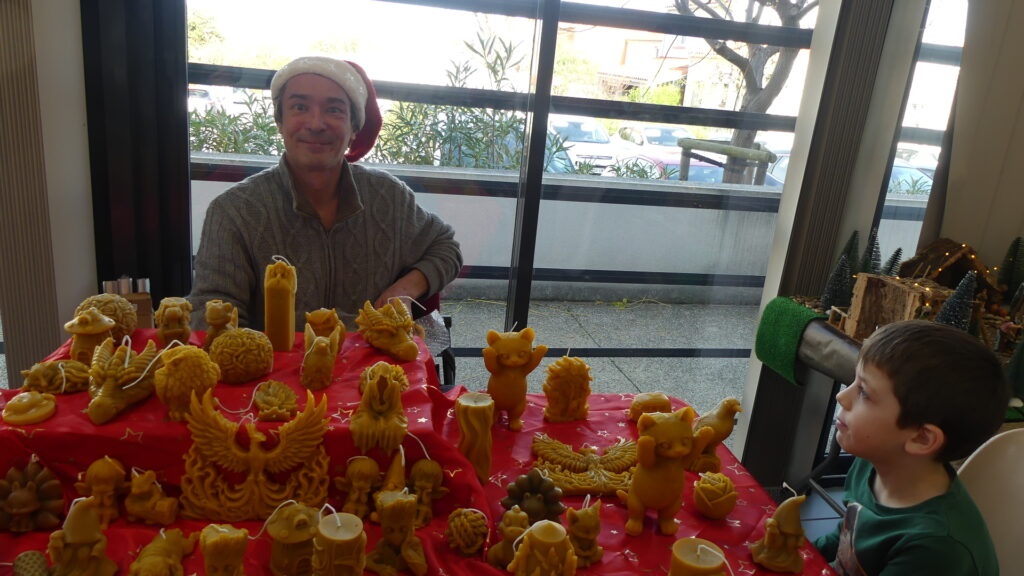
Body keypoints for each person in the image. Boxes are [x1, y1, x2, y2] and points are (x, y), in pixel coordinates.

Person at [188, 56, 462, 331]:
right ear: (280, 122)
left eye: (334, 110)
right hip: (272, 359)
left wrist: (403, 291)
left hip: (374, 358)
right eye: (300, 107)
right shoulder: (233, 211)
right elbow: (209, 313)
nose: (316, 123)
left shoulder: (388, 197)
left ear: (354, 128)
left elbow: (445, 247)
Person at [814, 320, 1009, 576]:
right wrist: (798, 549)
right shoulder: (871, 465)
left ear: (921, 439)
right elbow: (846, 537)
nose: (842, 396)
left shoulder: (936, 547)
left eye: (864, 392)